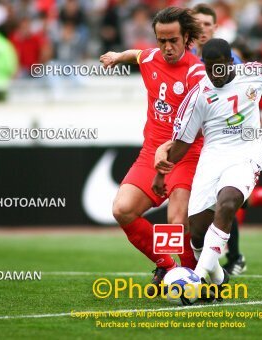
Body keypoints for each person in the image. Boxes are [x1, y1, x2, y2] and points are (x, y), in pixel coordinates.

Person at [152, 38, 262, 296]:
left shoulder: (252, 73)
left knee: (227, 203)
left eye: (219, 67)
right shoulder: (199, 95)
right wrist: (161, 173)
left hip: (246, 155)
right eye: (209, 68)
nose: (214, 74)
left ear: (230, 62)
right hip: (212, 159)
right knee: (197, 234)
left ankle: (196, 280)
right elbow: (182, 143)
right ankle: (218, 278)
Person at [189, 3, 262, 276]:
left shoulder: (244, 71)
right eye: (197, 25)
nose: (202, 29)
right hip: (208, 150)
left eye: (207, 24)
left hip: (241, 150)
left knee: (228, 203)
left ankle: (229, 259)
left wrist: (247, 127)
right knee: (210, 212)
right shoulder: (193, 64)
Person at [99, 7, 205, 293]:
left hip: (185, 154)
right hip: (151, 154)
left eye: (174, 40)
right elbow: (136, 54)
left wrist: (167, 152)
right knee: (122, 210)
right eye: (162, 41)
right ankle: (168, 267)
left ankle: (192, 280)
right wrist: (116, 56)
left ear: (186, 38)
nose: (167, 47)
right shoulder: (151, 57)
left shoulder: (197, 74)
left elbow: (195, 128)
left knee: (177, 220)